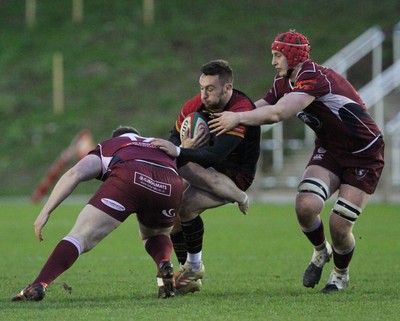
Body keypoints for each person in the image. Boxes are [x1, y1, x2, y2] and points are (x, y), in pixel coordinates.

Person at [208, 31, 385, 293]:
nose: (273, 61)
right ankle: (320, 251)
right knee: (305, 206)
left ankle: (340, 274)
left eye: (277, 55)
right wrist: (227, 115)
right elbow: (261, 105)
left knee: (339, 225)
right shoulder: (283, 81)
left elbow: (278, 112)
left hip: (364, 153)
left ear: (292, 56)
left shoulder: (313, 77)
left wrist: (237, 120)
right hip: (330, 150)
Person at [11, 126, 184, 301]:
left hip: (129, 176)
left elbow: (75, 173)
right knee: (155, 235)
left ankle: (39, 284)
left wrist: (45, 211)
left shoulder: (111, 144)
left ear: (116, 137)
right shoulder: (158, 144)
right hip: (170, 184)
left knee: (80, 237)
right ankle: (164, 264)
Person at [152, 59, 261, 295]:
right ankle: (188, 274)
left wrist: (181, 150)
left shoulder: (241, 108)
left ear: (227, 88)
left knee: (187, 204)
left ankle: (193, 266)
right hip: (203, 166)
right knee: (173, 209)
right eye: (201, 88)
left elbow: (215, 155)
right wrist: (179, 147)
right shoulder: (196, 105)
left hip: (235, 173)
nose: (204, 95)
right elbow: (173, 139)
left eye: (210, 89)